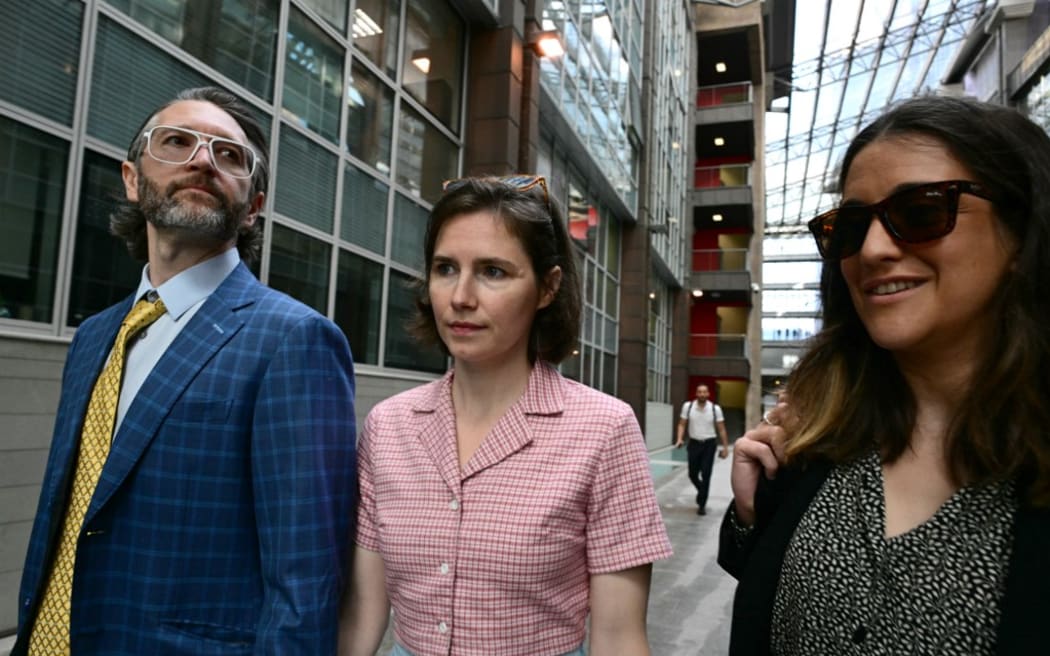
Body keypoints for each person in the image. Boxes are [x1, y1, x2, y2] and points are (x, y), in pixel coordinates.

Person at [13, 87, 357, 655]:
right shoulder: (95, 335)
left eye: (229, 155)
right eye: (177, 142)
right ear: (132, 178)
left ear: (254, 206)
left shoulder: (294, 340)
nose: (203, 159)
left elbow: (305, 578)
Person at [719, 94, 1050, 655]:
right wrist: (753, 513)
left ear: (1019, 234)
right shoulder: (821, 441)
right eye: (848, 228)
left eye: (921, 212)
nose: (871, 250)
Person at [338, 175, 672, 656]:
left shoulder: (603, 431)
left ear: (547, 288)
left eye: (493, 272)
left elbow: (619, 638)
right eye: (446, 268)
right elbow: (362, 612)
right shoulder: (389, 426)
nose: (461, 297)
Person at [674, 383, 730, 515]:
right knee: (692, 474)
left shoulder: (715, 409)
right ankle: (702, 490)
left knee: (706, 474)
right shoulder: (688, 407)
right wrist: (679, 438)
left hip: (709, 445)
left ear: (708, 394)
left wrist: (726, 447)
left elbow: (721, 428)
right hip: (694, 443)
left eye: (705, 392)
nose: (702, 394)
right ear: (696, 393)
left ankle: (702, 504)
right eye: (700, 392)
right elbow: (682, 424)